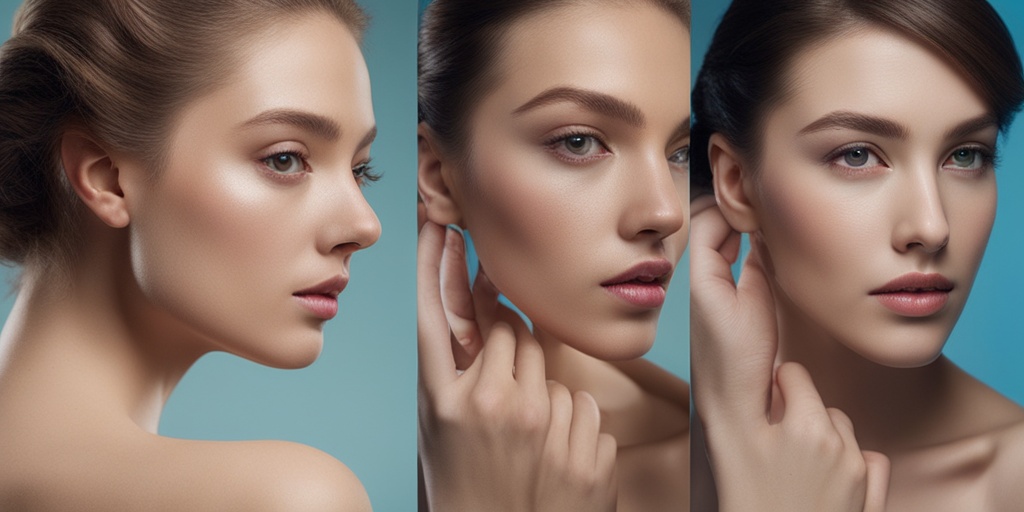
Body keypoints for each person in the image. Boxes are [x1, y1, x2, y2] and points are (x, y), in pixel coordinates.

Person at [0, 0, 383, 509]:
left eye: (359, 171)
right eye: (285, 159)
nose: (365, 225)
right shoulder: (285, 498)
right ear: (105, 177)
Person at [689, 0, 1024, 510]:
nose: (931, 227)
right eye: (858, 155)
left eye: (965, 155)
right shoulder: (598, 467)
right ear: (736, 183)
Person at [417, 0, 691, 510]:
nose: (666, 211)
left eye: (680, 153)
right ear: (437, 175)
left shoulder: (712, 470)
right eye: (580, 142)